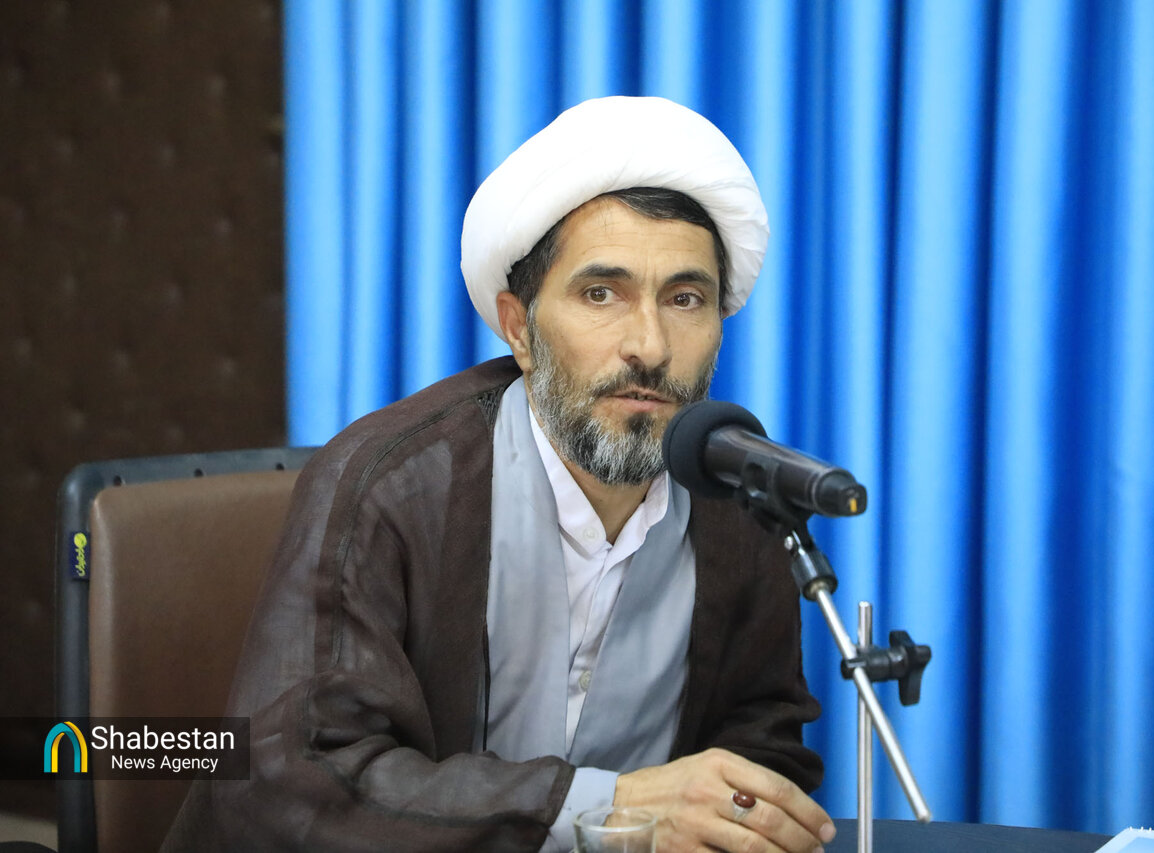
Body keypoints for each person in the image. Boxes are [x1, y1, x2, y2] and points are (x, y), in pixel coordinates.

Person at [163, 96, 834, 852]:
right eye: (601, 294)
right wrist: (601, 807)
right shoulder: (388, 485)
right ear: (519, 328)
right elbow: (298, 778)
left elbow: (762, 739)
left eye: (685, 299)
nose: (648, 345)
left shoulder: (740, 496)